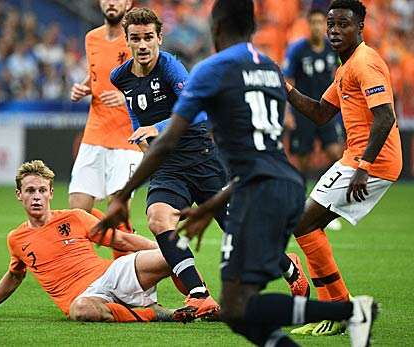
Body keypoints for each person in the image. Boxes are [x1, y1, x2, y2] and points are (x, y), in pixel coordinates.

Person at [94, 1, 377, 346]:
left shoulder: (210, 70)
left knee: (238, 305)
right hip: (277, 181)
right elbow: (261, 148)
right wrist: (213, 204)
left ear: (215, 29)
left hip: (243, 181)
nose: (141, 45)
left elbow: (171, 139)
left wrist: (122, 195)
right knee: (236, 309)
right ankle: (203, 293)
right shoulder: (270, 70)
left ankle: (348, 312)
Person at [284, 0, 402, 337]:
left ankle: (337, 309)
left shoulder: (365, 64)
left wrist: (364, 166)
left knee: (305, 223)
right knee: (305, 225)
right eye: (331, 25)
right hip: (357, 158)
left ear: (360, 27)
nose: (335, 31)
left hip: (370, 161)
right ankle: (336, 307)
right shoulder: (346, 67)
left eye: (343, 25)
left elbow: (385, 117)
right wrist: (288, 90)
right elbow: (322, 112)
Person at [110, 7, 228, 320]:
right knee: (159, 219)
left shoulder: (171, 67)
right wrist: (144, 137)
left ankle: (287, 264)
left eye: (149, 37)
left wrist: (156, 128)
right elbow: (136, 112)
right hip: (167, 165)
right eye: (136, 39)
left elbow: (199, 112)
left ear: (160, 38)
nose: (143, 44)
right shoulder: (119, 77)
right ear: (128, 41)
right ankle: (199, 295)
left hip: (200, 157)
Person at [0, 160, 181, 323]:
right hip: (83, 298)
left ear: (51, 193)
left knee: (174, 255)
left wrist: (162, 247)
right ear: (19, 195)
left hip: (112, 275)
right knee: (82, 311)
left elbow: (121, 240)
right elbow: (14, 275)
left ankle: (201, 301)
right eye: (30, 190)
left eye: (42, 190)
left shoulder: (75, 216)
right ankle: (152, 313)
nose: (37, 196)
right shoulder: (16, 239)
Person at [68, 0, 142, 220]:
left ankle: (124, 250)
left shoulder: (137, 40)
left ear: (128, 4)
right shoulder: (92, 38)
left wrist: (124, 96)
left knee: (118, 207)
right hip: (95, 133)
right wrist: (84, 88)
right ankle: (85, 254)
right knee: (77, 207)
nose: (112, 2)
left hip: (126, 137)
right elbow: (97, 74)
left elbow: (150, 83)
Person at [283, 7, 343, 179]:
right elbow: (287, 80)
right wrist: (287, 112)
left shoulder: (333, 49)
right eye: (313, 22)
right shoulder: (297, 50)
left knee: (335, 152)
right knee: (303, 160)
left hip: (328, 109)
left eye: (320, 22)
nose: (316, 26)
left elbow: (342, 75)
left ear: (325, 25)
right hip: (303, 111)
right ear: (308, 24)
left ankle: (331, 191)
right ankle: (300, 199)